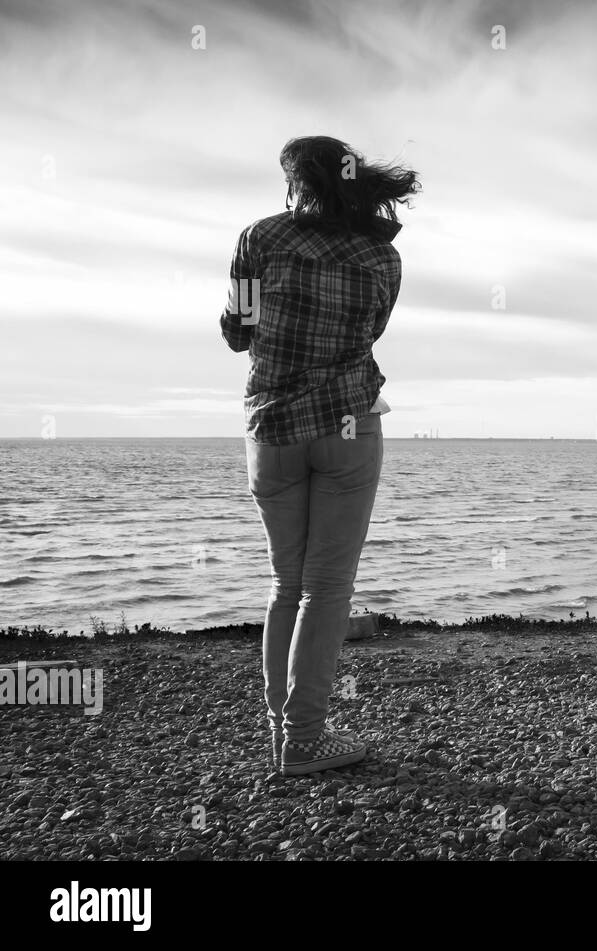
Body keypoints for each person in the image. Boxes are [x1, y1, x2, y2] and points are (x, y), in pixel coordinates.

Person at [220, 136, 419, 775]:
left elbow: (236, 332)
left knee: (287, 585)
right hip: (348, 424)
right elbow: (371, 331)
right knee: (327, 588)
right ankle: (303, 740)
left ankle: (286, 737)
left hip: (272, 427)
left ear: (297, 182)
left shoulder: (261, 238)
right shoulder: (382, 257)